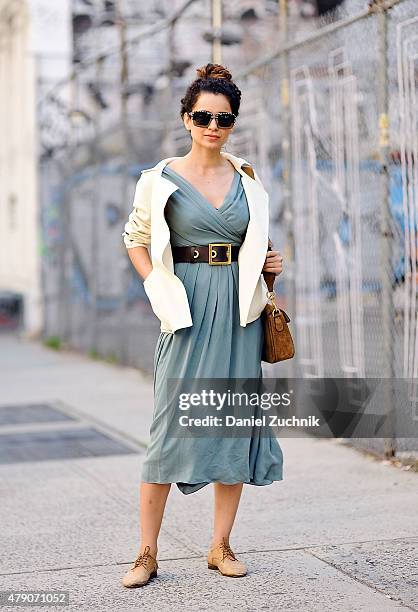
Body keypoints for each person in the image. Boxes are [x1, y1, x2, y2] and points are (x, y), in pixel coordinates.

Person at [120, 63, 284, 588]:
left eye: (224, 118)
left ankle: (220, 545)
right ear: (186, 118)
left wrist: (268, 264)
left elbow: (254, 241)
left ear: (233, 122)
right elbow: (136, 237)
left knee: (232, 425)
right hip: (184, 307)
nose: (213, 125)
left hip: (238, 310)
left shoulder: (248, 179)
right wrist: (155, 287)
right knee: (168, 428)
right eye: (203, 116)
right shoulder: (160, 178)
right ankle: (146, 553)